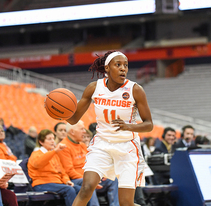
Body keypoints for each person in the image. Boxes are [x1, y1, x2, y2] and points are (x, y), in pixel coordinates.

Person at [65, 50, 153, 206]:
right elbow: (73, 119)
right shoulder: (94, 88)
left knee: (126, 203)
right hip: (102, 145)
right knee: (86, 188)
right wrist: (58, 110)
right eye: (117, 65)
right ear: (107, 68)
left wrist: (129, 126)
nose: (123, 69)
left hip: (127, 148)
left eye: (125, 65)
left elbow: (149, 124)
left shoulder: (135, 89)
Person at [57, 122, 120, 206]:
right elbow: (69, 171)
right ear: (72, 132)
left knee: (112, 180)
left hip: (88, 178)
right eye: (82, 129)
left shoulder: (82, 145)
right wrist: (91, 179)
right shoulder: (63, 147)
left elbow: (93, 164)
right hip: (75, 180)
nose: (84, 131)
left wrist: (101, 174)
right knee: (89, 183)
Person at [28, 129, 81, 206]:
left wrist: (66, 181)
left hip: (57, 183)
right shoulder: (36, 154)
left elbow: (62, 172)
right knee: (69, 190)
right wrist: (54, 151)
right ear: (41, 142)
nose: (53, 141)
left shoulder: (54, 155)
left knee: (80, 190)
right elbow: (38, 163)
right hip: (41, 184)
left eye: (53, 138)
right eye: (49, 139)